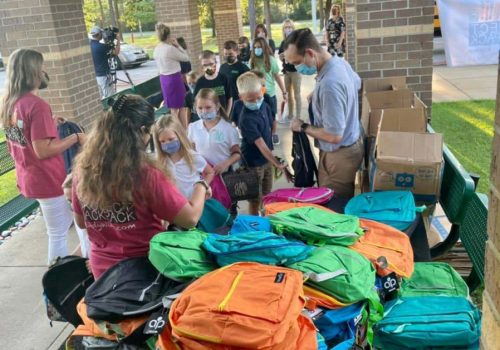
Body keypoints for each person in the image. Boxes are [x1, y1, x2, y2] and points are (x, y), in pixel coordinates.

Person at [72, 94, 209, 278]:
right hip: (145, 270)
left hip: (103, 274)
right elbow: (190, 218)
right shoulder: (145, 174)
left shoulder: (83, 169)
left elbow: (81, 221)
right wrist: (201, 185)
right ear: (143, 131)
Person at [0, 49, 85, 264]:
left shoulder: (8, 102)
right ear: (33, 72)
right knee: (57, 232)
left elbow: (26, 136)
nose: (44, 71)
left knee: (66, 222)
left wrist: (50, 124)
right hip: (47, 178)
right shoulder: (37, 105)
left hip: (28, 176)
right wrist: (75, 137)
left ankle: (75, 262)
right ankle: (57, 278)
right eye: (41, 67)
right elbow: (43, 150)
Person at [284, 28, 363, 199]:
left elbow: (334, 135)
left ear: (310, 53)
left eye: (296, 62)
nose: (296, 68)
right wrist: (319, 95)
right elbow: (356, 83)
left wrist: (302, 126)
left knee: (333, 208)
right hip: (350, 148)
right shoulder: (339, 63)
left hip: (338, 158)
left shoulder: (330, 84)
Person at [236, 72, 289, 215]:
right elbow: (260, 144)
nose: (255, 103)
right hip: (252, 164)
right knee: (254, 198)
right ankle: (254, 222)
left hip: (266, 160)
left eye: (258, 98)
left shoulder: (264, 105)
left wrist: (272, 159)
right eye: (250, 100)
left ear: (263, 91)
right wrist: (276, 162)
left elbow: (271, 126)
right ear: (241, 98)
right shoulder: (246, 119)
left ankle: (264, 216)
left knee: (266, 193)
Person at [154, 115, 215, 199]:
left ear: (180, 136)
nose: (167, 143)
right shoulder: (161, 161)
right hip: (174, 205)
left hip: (194, 203)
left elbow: (210, 172)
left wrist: (203, 186)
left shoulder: (192, 156)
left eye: (171, 139)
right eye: (162, 141)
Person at [188, 88, 241, 176]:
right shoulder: (193, 128)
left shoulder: (228, 129)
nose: (204, 111)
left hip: (224, 175)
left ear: (217, 107)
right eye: (200, 108)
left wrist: (226, 163)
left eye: (208, 107)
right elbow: (191, 151)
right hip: (203, 175)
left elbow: (237, 153)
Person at [154, 23, 189, 121]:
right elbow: (186, 58)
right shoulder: (170, 49)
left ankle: (176, 129)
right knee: (181, 107)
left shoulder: (157, 49)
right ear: (168, 35)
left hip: (164, 79)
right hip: (174, 79)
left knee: (173, 108)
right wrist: (178, 46)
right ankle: (183, 130)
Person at [250, 37, 287, 125]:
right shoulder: (252, 61)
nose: (257, 49)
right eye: (255, 47)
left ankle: (273, 134)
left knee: (272, 117)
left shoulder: (271, 60)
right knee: (259, 118)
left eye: (259, 47)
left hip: (270, 94)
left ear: (264, 48)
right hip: (257, 95)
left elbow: (277, 77)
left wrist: (284, 92)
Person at [278, 19, 302, 123]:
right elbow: (280, 57)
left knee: (297, 94)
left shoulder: (297, 42)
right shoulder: (283, 42)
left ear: (293, 28)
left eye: (290, 27)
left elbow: (301, 56)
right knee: (288, 94)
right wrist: (282, 56)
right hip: (286, 72)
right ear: (283, 30)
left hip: (296, 71)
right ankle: (290, 115)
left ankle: (298, 117)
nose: (288, 29)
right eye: (286, 28)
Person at [89, 26, 120, 99]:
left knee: (99, 97)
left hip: (95, 75)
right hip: (103, 75)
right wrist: (118, 40)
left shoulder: (90, 45)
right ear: (99, 34)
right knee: (110, 97)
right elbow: (116, 52)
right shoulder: (101, 47)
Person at [219, 40, 250, 110]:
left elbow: (249, 87)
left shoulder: (243, 68)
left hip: (239, 102)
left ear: (237, 52)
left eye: (230, 54)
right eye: (225, 54)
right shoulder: (222, 67)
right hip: (225, 102)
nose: (227, 56)